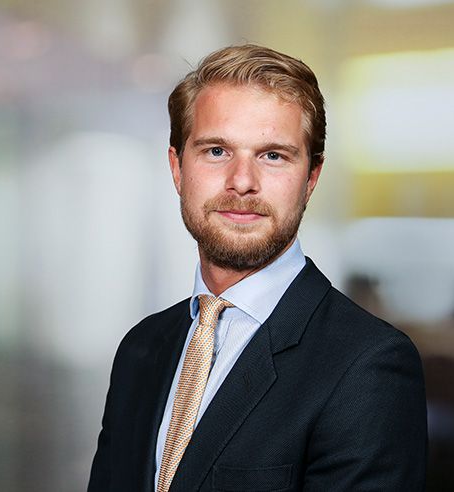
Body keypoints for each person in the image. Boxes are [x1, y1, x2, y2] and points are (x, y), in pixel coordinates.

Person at [87, 44, 427, 492]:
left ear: (311, 178)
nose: (242, 182)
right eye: (216, 151)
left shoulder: (368, 365)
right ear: (177, 168)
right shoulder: (141, 348)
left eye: (273, 156)